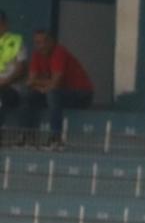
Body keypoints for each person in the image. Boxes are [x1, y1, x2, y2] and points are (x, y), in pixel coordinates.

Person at [17, 30, 93, 148]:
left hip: (81, 95)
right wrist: (42, 86)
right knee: (28, 94)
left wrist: (41, 85)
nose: (41, 46)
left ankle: (55, 138)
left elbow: (55, 83)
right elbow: (30, 82)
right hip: (56, 93)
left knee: (53, 94)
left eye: (44, 42)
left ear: (52, 42)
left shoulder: (59, 52)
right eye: (38, 43)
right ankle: (26, 137)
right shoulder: (37, 55)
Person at [0, 11, 27, 140]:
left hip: (11, 88)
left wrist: (6, 81)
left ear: (5, 24)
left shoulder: (16, 41)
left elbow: (20, 69)